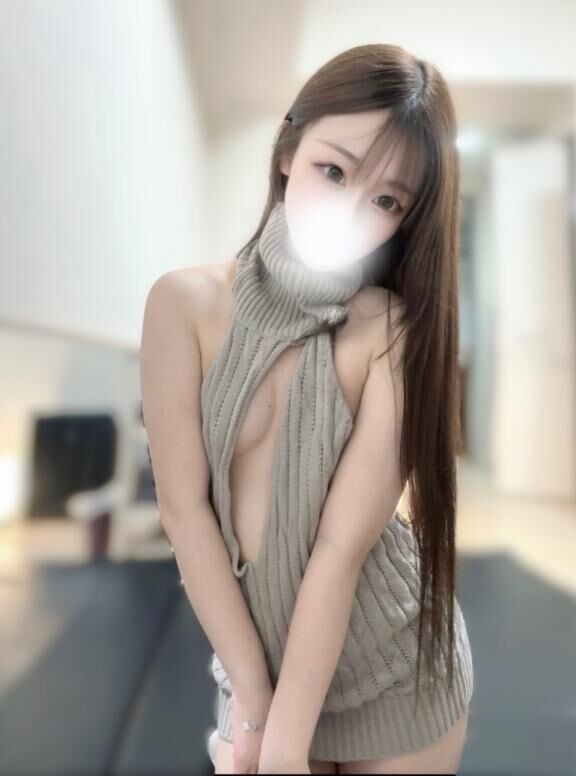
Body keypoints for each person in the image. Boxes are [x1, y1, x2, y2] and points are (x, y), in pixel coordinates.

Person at [139, 42, 473, 775]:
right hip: (255, 667)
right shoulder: (181, 305)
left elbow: (339, 550)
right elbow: (184, 512)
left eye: (387, 201)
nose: (351, 210)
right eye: (335, 170)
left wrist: (285, 749)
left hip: (395, 670)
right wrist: (255, 705)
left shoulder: (391, 331)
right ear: (289, 149)